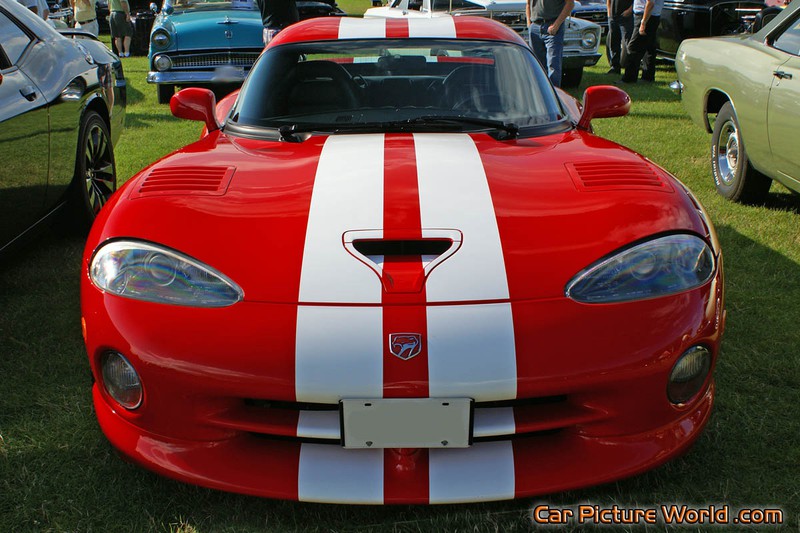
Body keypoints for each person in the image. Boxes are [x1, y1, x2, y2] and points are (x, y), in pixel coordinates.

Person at [526, 0, 575, 87]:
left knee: (553, 64)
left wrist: (556, 25)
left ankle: (553, 93)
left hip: (553, 27)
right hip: (535, 27)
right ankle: (540, 92)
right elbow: (528, 4)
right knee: (536, 65)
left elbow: (570, 4)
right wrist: (529, 24)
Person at [621, 0, 664, 83]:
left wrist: (643, 22)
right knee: (649, 48)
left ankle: (629, 78)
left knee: (633, 48)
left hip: (646, 16)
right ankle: (648, 77)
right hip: (651, 16)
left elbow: (650, 2)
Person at [606, 0, 632, 75]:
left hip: (626, 18)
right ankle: (615, 67)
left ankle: (630, 69)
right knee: (613, 42)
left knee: (628, 43)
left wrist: (629, 10)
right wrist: (609, 13)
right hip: (613, 17)